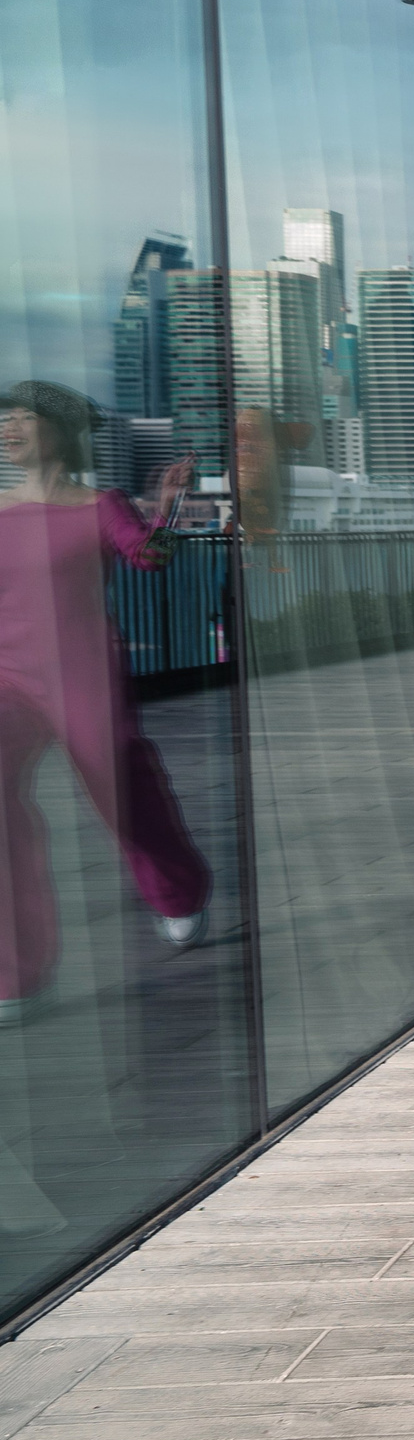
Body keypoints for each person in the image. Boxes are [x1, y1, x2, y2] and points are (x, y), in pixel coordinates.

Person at [0, 382, 210, 1022]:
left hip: (81, 670)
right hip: (5, 676)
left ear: (61, 431)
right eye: (2, 420)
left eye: (22, 419)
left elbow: (150, 557)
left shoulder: (100, 505)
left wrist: (167, 511)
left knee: (118, 785)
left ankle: (179, 890)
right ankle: (16, 970)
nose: (7, 429)